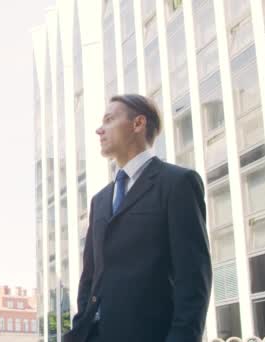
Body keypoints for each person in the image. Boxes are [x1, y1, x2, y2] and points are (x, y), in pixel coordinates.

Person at [63, 94, 212, 342]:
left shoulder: (177, 183)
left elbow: (193, 278)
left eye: (109, 119)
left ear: (138, 124)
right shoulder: (100, 200)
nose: (99, 130)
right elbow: (90, 277)